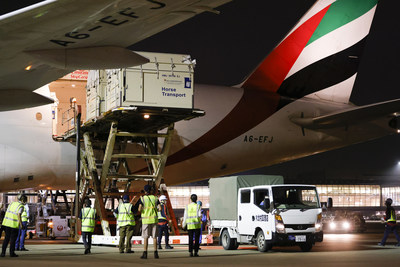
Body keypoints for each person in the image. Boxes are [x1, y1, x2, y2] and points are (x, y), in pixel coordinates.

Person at [138, 184, 161, 259]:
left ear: (145, 191)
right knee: (154, 237)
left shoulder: (142, 199)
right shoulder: (155, 198)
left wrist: (143, 211)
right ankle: (155, 253)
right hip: (154, 220)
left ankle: (145, 253)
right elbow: (160, 209)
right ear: (151, 190)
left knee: (146, 237)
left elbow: (139, 209)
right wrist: (155, 210)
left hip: (146, 220)